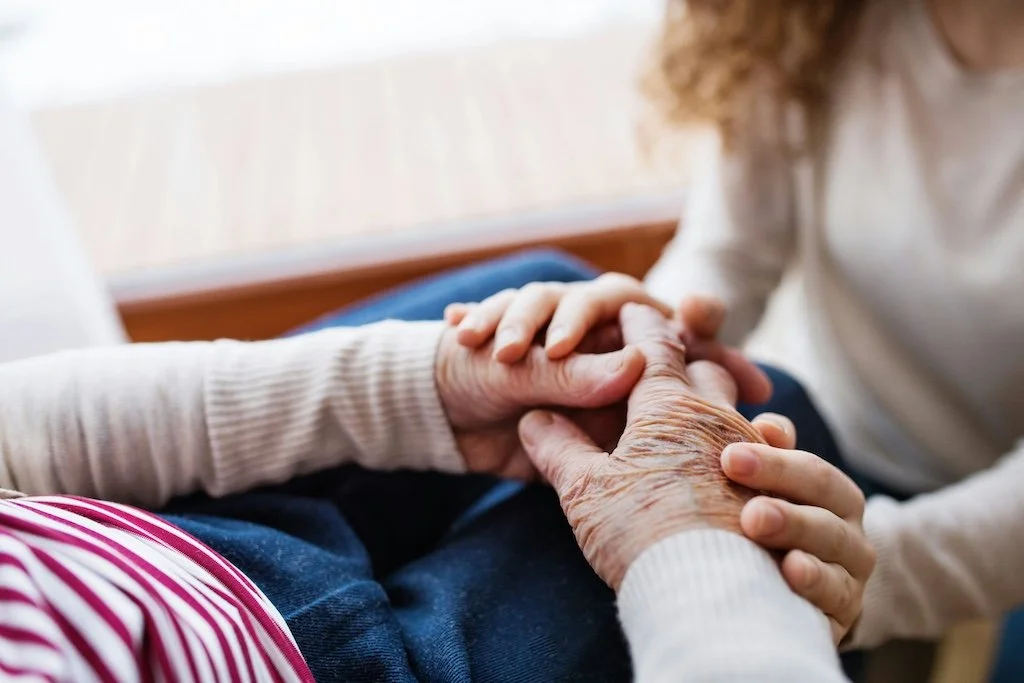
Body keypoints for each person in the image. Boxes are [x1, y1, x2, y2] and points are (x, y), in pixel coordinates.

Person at [450, 0, 1024, 661]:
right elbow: (729, 252)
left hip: (958, 510)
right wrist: (641, 339)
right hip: (802, 431)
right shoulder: (813, 21)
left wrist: (852, 565)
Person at [0, 249, 864, 681]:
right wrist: (719, 581)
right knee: (766, 435)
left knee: (565, 298)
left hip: (142, 543)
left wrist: (418, 388)